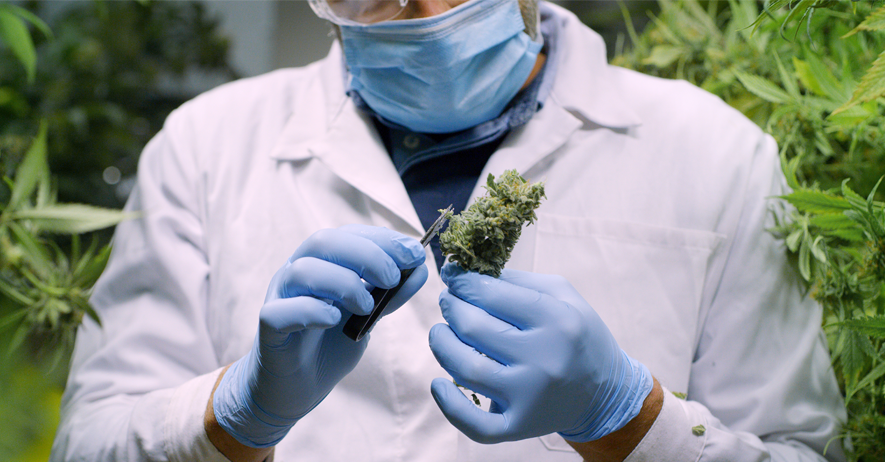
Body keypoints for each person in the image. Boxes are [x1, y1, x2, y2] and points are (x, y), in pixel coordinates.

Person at [50, 0, 846, 461]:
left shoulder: (712, 151)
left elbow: (803, 449)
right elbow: (88, 442)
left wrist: (627, 415)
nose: (417, 9)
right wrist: (241, 408)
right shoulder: (204, 147)